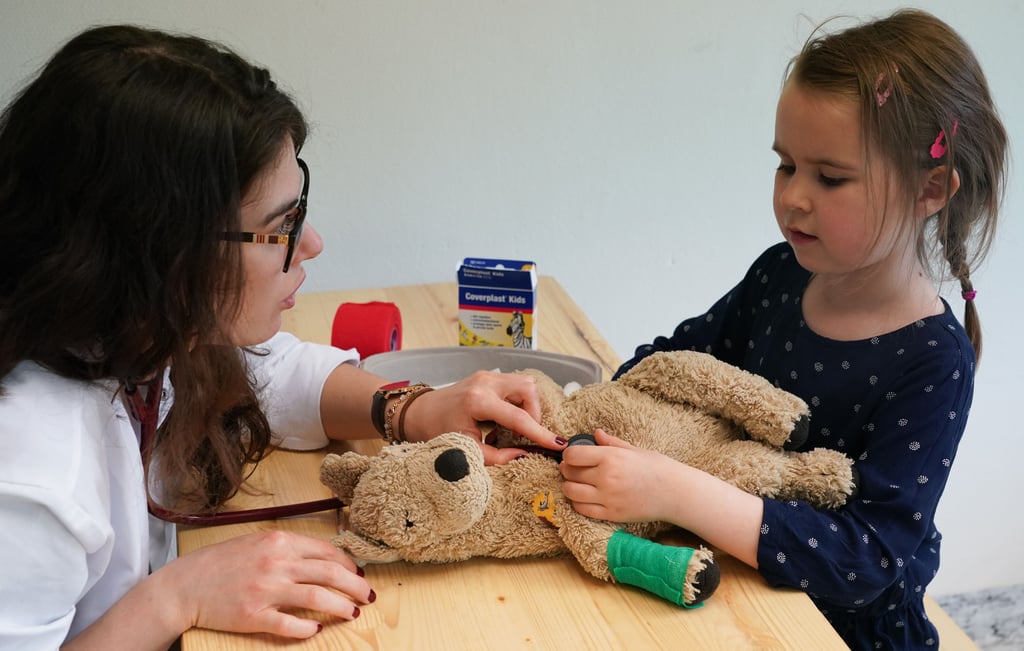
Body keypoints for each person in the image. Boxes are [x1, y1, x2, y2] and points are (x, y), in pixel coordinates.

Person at [0, 24, 566, 649]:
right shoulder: (31, 478)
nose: (314, 244)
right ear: (161, 251)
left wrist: (407, 409)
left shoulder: (136, 335)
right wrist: (174, 598)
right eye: (282, 225)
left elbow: (267, 374)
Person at [559, 9, 1007, 650]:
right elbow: (674, 365)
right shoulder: (780, 274)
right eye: (785, 166)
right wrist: (584, 416)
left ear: (930, 187)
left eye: (830, 177)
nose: (794, 196)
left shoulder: (935, 360)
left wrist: (676, 490)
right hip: (725, 590)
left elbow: (864, 558)